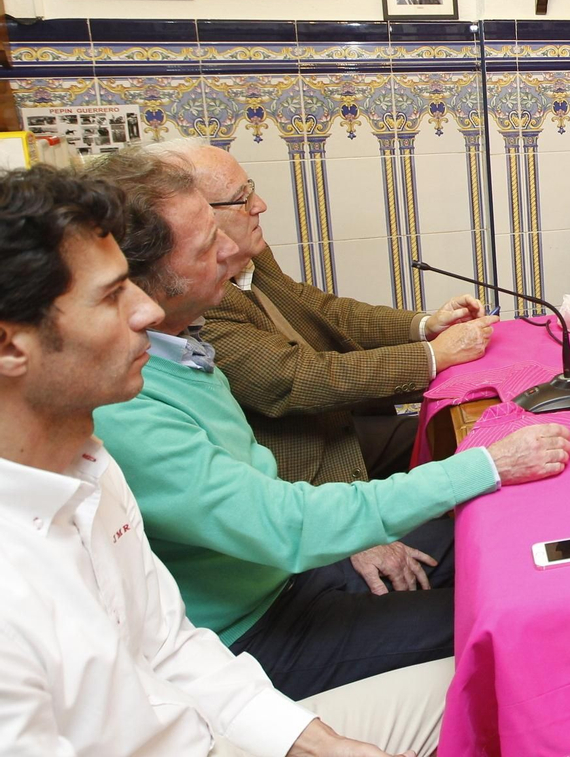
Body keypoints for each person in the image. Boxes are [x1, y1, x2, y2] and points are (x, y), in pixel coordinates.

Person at [84, 146, 570, 701]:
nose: (230, 250)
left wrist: (352, 540)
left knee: (485, 533)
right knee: (507, 616)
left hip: (290, 567)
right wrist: (485, 464)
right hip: (260, 630)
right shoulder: (127, 397)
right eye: (207, 244)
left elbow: (268, 490)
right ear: (137, 281)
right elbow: (282, 507)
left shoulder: (181, 346)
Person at [0, 166, 432, 757]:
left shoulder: (93, 464)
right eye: (109, 296)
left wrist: (317, 744)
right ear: (9, 345)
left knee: (485, 672)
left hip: (215, 724)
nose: (147, 312)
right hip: (227, 698)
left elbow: (171, 646)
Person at [145, 138, 498, 487]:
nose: (260, 205)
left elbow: (322, 309)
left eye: (252, 191)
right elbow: (295, 378)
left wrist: (423, 325)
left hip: (339, 423)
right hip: (306, 461)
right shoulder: (193, 300)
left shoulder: (249, 256)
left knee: (468, 433)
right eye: (243, 198)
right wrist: (434, 355)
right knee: (473, 455)